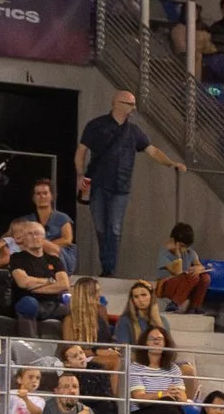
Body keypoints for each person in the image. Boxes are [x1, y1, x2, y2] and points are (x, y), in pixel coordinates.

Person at [75, 86, 175, 279]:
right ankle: (107, 265)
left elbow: (152, 150)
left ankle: (109, 268)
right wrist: (80, 175)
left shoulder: (134, 131)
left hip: (121, 187)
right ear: (117, 103)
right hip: (98, 183)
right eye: (130, 104)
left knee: (114, 227)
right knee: (101, 227)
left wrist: (171, 163)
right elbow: (81, 152)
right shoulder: (96, 125)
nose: (133, 108)